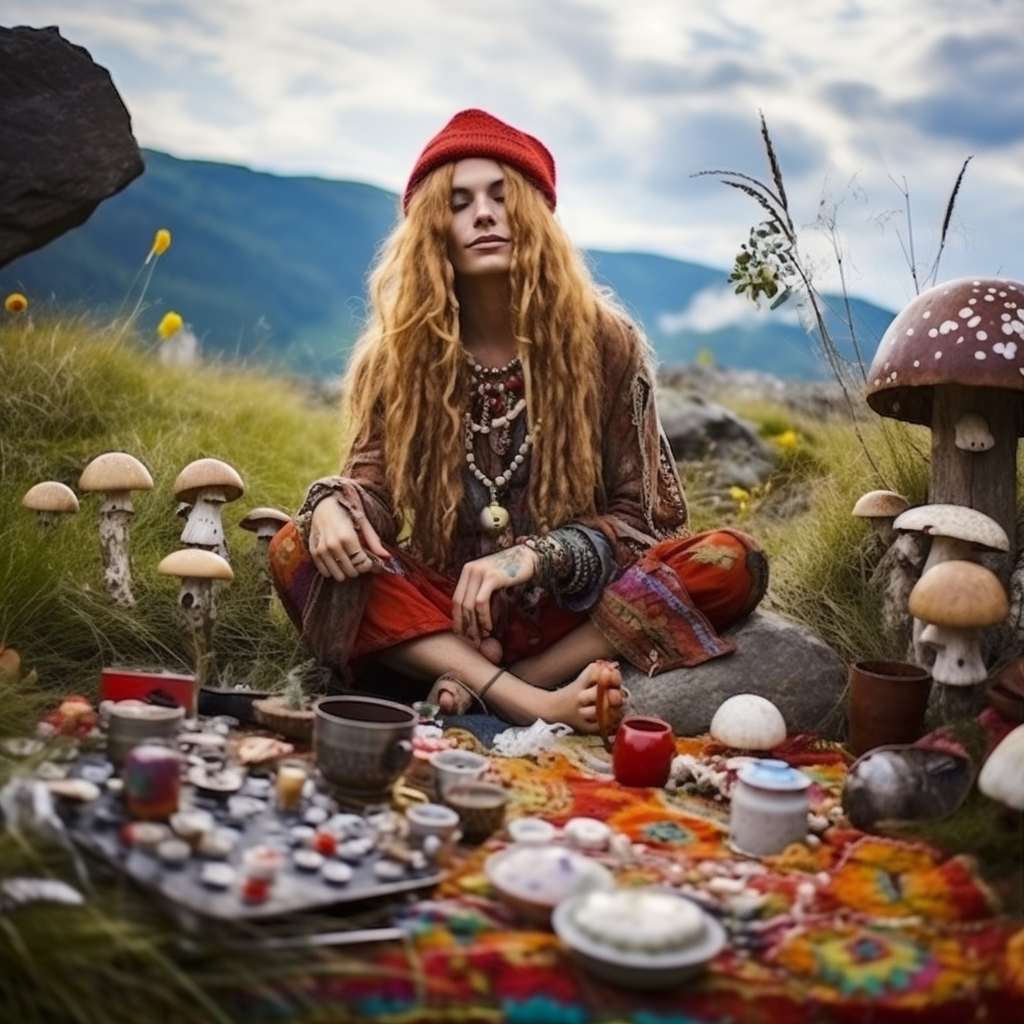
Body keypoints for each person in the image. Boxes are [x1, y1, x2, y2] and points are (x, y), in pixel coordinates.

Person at [269, 108, 768, 736]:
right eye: (458, 202)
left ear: (532, 216)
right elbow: (374, 492)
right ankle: (528, 700)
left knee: (732, 560)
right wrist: (336, 505)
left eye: (502, 197)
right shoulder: (399, 355)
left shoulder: (606, 344)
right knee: (297, 546)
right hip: (448, 612)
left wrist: (535, 557)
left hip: (569, 615)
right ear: (433, 229)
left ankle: (515, 679)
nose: (483, 214)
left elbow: (647, 523)